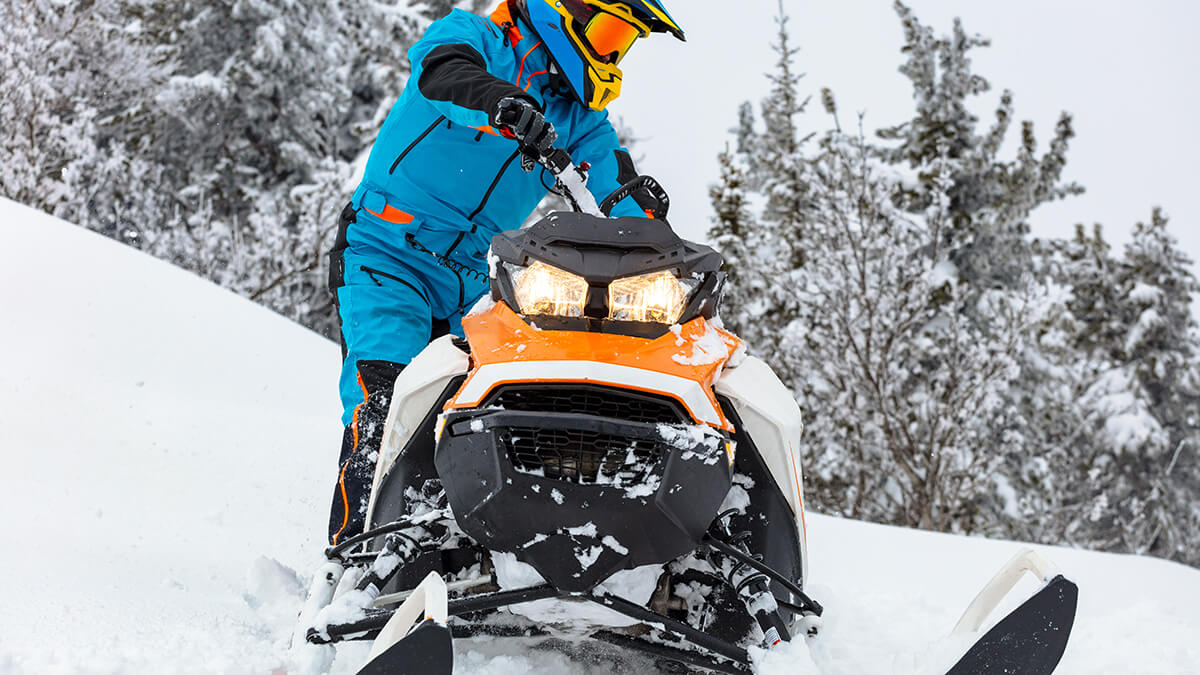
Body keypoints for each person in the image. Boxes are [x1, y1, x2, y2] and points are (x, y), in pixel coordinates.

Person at [326, 0, 685, 544]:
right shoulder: (480, 35)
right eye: (609, 32)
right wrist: (501, 101)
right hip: (388, 250)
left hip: (471, 281)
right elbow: (445, 71)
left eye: (623, 43)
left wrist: (655, 230)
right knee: (389, 403)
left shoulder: (580, 121)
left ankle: (453, 560)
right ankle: (351, 563)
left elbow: (613, 188)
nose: (611, 53)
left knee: (472, 422)